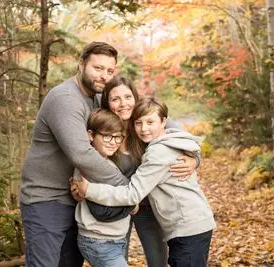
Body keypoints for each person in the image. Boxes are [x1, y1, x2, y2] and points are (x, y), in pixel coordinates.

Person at [20, 41, 127, 267]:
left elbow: (137, 113)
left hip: (77, 201)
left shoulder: (98, 98)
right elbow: (81, 154)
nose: (104, 76)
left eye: (110, 71)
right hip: (46, 200)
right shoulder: (65, 98)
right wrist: (126, 188)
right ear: (81, 65)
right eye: (97, 68)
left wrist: (184, 145)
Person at [74, 96, 216, 267]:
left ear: (164, 121)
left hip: (188, 226)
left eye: (150, 122)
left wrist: (89, 190)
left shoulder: (158, 152)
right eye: (138, 123)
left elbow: (132, 193)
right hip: (192, 223)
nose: (144, 129)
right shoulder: (170, 141)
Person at [100, 76, 199, 266]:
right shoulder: (103, 126)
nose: (123, 104)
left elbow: (187, 142)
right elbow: (88, 156)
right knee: (117, 260)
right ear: (107, 103)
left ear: (135, 97)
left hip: (150, 206)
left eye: (128, 97)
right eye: (115, 99)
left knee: (158, 260)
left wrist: (195, 160)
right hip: (118, 204)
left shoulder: (148, 119)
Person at [74, 108, 134, 266]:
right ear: (91, 135)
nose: (114, 142)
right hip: (98, 242)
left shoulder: (109, 164)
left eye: (118, 137)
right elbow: (102, 211)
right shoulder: (88, 165)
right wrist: (131, 204)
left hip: (115, 240)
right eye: (107, 135)